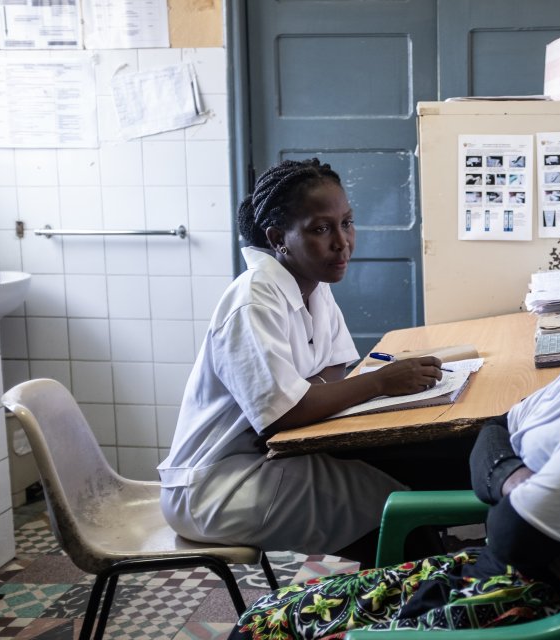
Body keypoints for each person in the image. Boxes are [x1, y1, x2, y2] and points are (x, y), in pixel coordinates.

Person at [230, 185, 560, 638]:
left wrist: (515, 503)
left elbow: (507, 526)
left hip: (513, 604)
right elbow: (495, 430)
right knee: (275, 607)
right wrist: (518, 489)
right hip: (494, 573)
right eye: (321, 228)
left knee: (266, 624)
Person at [158, 158, 446, 565]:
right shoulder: (254, 300)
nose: (342, 242)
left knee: (400, 492)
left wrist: (323, 393)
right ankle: (403, 603)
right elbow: (283, 415)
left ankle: (400, 594)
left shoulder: (312, 284)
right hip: (217, 486)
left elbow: (332, 373)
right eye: (320, 229)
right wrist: (380, 382)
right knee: (397, 510)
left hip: (273, 457)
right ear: (279, 238)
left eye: (347, 223)